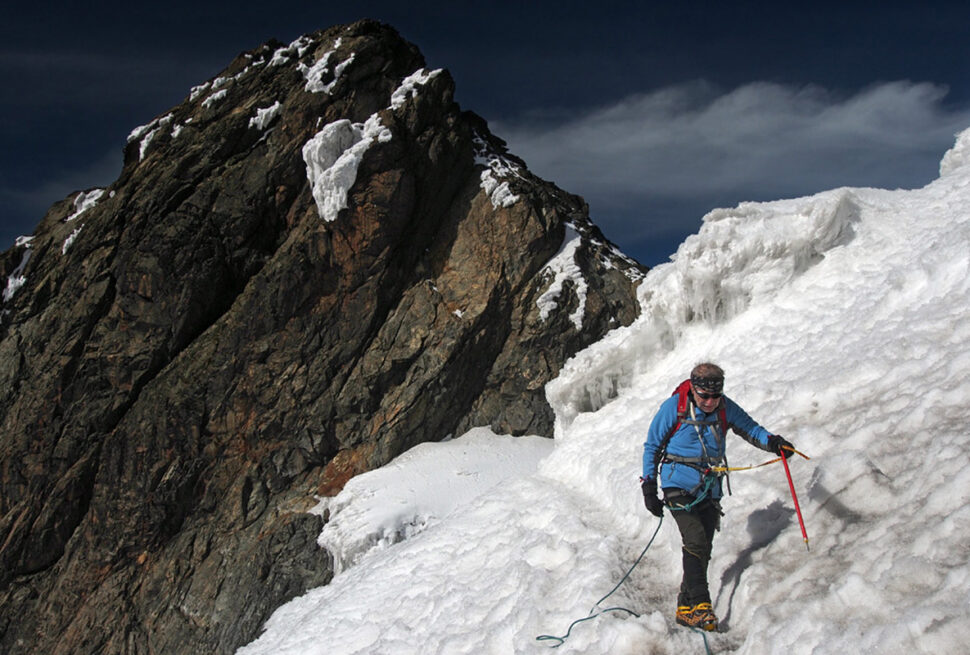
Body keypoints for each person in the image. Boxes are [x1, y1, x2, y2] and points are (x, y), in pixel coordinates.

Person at [641, 363, 794, 632]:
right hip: (677, 483)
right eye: (704, 397)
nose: (710, 402)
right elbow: (653, 445)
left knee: (703, 548)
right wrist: (649, 486)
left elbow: (750, 428)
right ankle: (702, 606)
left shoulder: (725, 407)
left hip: (709, 488)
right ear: (693, 390)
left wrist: (774, 443)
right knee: (695, 539)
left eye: (715, 396)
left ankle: (685, 606)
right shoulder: (674, 407)